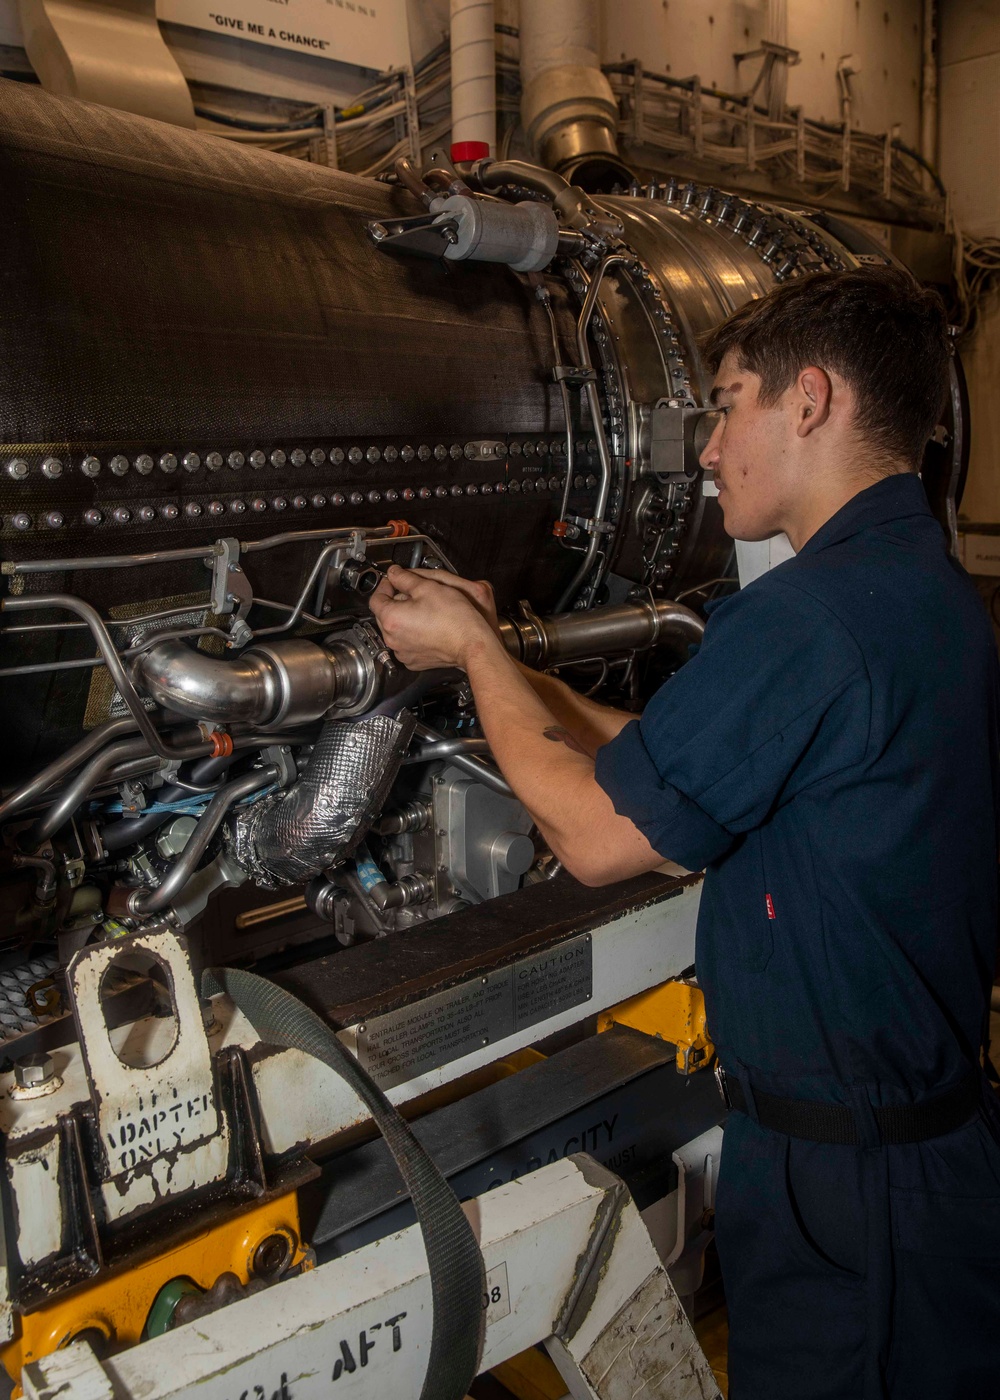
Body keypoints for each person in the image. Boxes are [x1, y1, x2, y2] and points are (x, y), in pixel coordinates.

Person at [368, 266, 1000, 1400]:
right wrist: (512, 656)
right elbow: (679, 758)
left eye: (726, 401)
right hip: (923, 1156)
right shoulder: (921, 593)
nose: (707, 446)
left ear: (806, 402)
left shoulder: (804, 618)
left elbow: (604, 833)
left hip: (850, 1195)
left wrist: (470, 656)